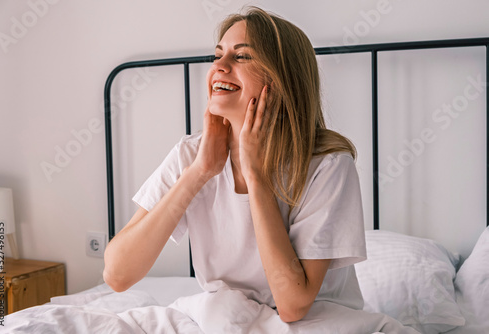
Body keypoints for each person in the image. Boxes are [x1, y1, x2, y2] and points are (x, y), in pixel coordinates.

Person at [103, 6, 366, 323]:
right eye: (217, 56)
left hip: (318, 321)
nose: (219, 67)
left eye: (241, 57)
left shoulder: (328, 163)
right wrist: (200, 172)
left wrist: (256, 177)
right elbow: (117, 275)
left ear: (282, 77)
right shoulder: (192, 155)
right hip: (226, 317)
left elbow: (293, 305)